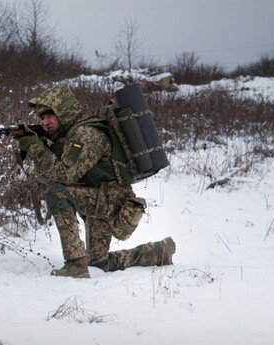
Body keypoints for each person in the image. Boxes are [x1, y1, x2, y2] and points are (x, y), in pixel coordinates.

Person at [13, 86, 176, 278]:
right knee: (100, 264)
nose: (45, 122)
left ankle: (75, 265)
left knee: (57, 192)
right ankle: (157, 252)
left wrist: (35, 147)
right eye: (42, 118)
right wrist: (40, 144)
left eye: (50, 115)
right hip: (100, 198)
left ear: (64, 111)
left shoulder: (86, 134)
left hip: (108, 200)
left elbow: (64, 175)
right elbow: (55, 171)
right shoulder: (71, 135)